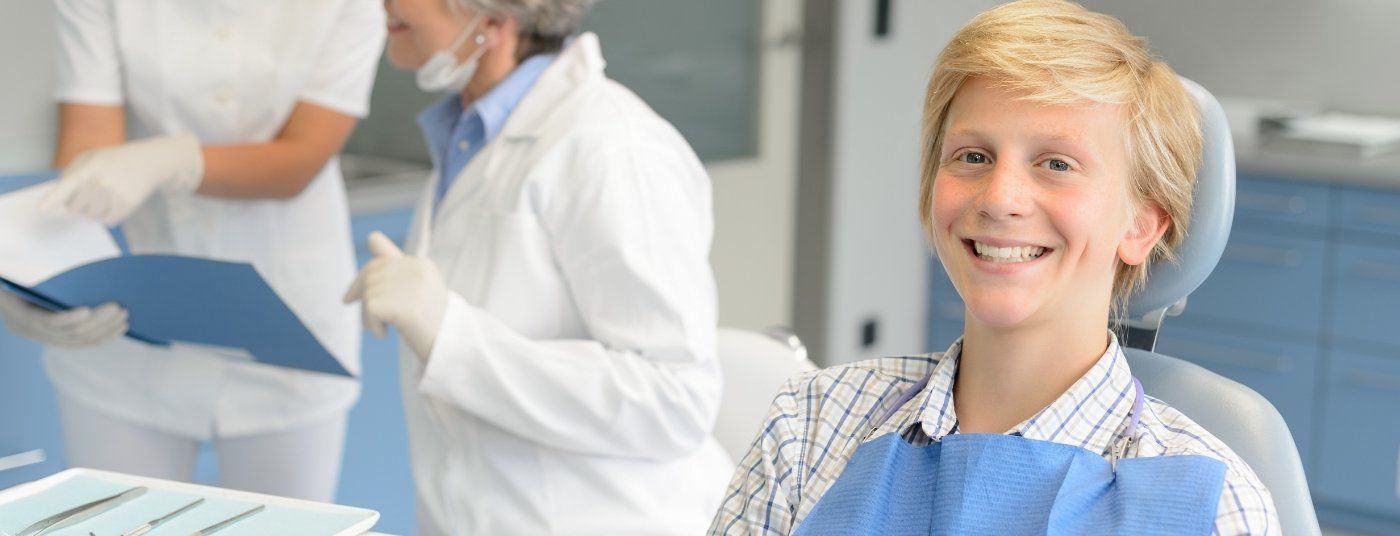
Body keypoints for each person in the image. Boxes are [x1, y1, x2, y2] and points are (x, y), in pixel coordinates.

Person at [709, 1, 1280, 534]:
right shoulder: (811, 424)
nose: (999, 197)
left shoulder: (1213, 504)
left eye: (1057, 163)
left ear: (1141, 226)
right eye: (973, 157)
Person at [343, 0, 732, 533]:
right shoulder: (472, 135)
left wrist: (450, 335)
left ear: (493, 19)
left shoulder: (614, 148)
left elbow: (674, 400)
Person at [0, 0, 384, 502]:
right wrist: (41, 277)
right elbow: (87, 145)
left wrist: (175, 160)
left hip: (287, 317)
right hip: (123, 321)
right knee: (114, 522)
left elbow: (301, 157)